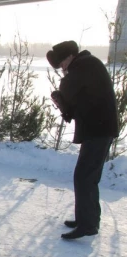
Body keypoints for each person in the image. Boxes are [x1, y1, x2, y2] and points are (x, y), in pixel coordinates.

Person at [47, 40, 119, 240]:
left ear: (69, 56)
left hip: (99, 130)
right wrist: (63, 102)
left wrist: (60, 98)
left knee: (84, 177)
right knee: (86, 176)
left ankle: (88, 225)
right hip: (98, 129)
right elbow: (74, 102)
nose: (62, 69)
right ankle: (86, 219)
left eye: (61, 64)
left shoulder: (85, 66)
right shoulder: (86, 65)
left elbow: (68, 91)